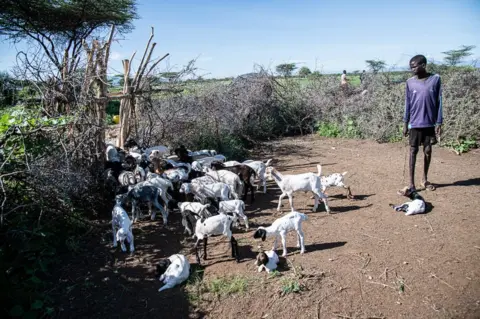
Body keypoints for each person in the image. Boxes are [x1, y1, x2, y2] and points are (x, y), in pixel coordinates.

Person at [399, 54, 443, 196]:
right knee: (413, 151)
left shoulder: (435, 79)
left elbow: (439, 102)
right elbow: (408, 103)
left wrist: (439, 122)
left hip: (429, 123)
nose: (412, 68)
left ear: (423, 65)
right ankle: (411, 183)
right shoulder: (410, 82)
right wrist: (405, 122)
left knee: (428, 151)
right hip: (415, 123)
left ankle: (424, 179)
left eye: (414, 66)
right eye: (410, 66)